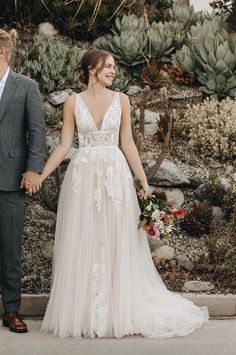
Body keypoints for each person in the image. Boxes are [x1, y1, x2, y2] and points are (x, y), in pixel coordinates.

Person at [38, 48, 208, 338]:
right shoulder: (72, 103)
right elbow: (65, 144)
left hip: (115, 176)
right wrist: (41, 175)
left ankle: (118, 308)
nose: (113, 71)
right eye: (108, 66)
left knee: (118, 237)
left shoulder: (123, 100)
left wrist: (142, 181)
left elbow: (127, 143)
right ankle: (87, 310)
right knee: (85, 237)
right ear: (92, 69)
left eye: (114, 67)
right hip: (84, 177)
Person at [0, 29, 45, 333]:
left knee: (10, 248)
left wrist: (33, 170)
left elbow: (37, 132)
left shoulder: (26, 86)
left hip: (11, 178)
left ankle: (12, 310)